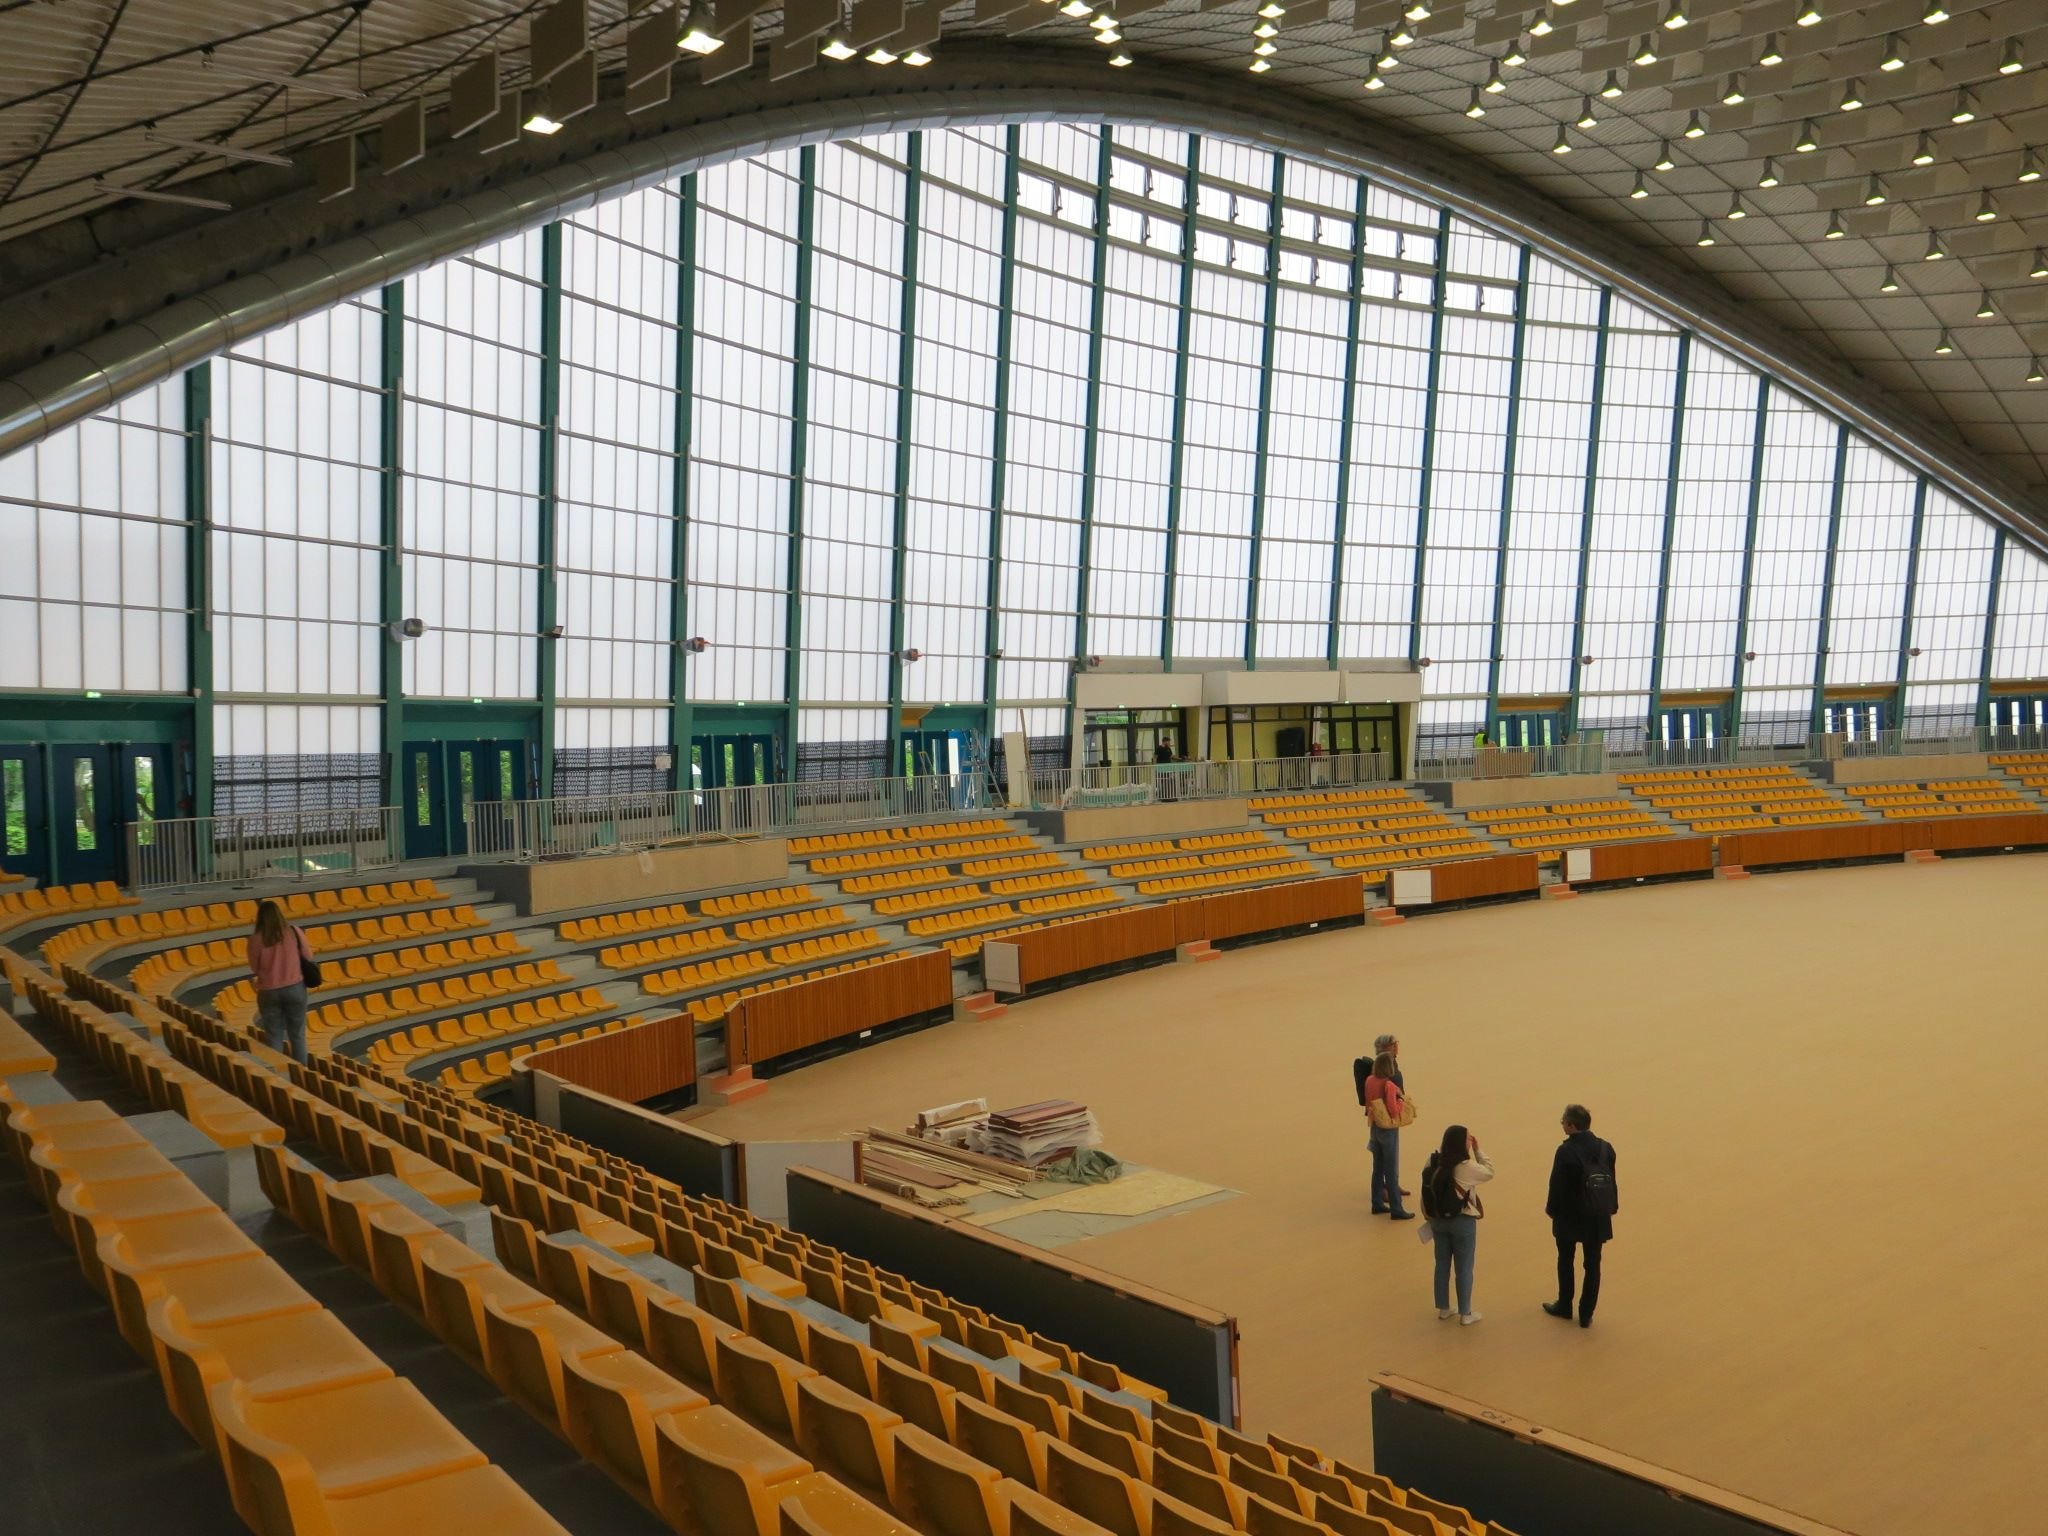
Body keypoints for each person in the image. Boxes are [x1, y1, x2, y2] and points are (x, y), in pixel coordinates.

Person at [1544, 1103, 1619, 1328]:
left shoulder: (1565, 1151)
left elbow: (1556, 1185)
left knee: (1565, 1259)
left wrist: (1551, 1210)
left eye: (1563, 1122)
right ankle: (1586, 1314)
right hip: (1597, 1214)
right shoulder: (1606, 1148)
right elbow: (1612, 1180)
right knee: (1593, 1263)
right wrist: (1611, 1207)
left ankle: (1565, 1305)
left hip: (1570, 1215)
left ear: (1571, 1126)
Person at [1423, 1124, 1494, 1325]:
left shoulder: (1432, 1161)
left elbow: (1426, 1190)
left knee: (1442, 1264)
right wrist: (1478, 1150)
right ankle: (1466, 1313)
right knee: (1464, 1267)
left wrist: (1429, 1216)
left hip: (1437, 1221)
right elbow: (1489, 1172)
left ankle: (1444, 1308)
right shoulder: (1466, 1167)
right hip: (1462, 1222)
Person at [246, 898, 312, 1063]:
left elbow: (254, 967)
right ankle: (301, 1073)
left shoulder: (255, 939)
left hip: (268, 990)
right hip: (295, 987)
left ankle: (278, 1072)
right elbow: (308, 957)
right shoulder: (294, 932)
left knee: (274, 1035)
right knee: (297, 1035)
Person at [1362, 1052, 1414, 1220]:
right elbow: (1393, 1110)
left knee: (1377, 1168)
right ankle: (1396, 1209)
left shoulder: (1369, 1080)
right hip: (1387, 1130)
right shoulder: (1389, 1084)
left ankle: (1376, 1202)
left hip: (1374, 1127)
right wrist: (1400, 1100)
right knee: (1390, 1171)